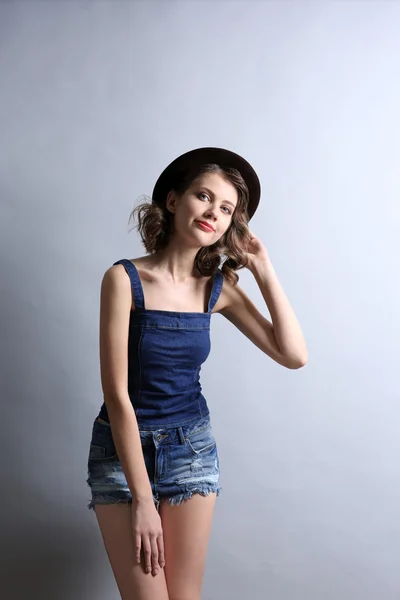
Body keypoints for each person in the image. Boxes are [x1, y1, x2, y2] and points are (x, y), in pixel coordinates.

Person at [86, 147, 307, 600]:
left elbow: (293, 355)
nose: (214, 213)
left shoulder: (216, 290)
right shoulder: (123, 279)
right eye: (204, 197)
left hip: (191, 449)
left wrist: (263, 268)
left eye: (226, 209)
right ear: (173, 200)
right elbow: (118, 395)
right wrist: (142, 500)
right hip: (123, 454)